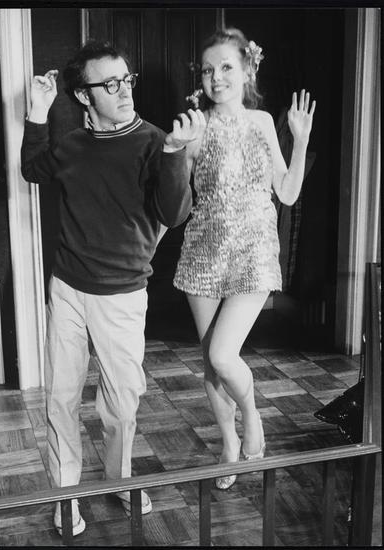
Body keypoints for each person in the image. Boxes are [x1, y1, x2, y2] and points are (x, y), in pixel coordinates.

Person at [21, 39, 205, 536]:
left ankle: (119, 481)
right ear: (84, 96)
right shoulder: (71, 144)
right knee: (60, 398)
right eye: (110, 83)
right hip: (67, 289)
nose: (124, 91)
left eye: (127, 80)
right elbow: (32, 169)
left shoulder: (156, 141)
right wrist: (37, 113)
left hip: (122, 295)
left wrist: (176, 153)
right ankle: (65, 497)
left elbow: (174, 213)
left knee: (121, 404)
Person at [174, 28, 315, 490]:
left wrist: (300, 140)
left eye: (226, 67)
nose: (216, 77)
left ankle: (252, 417)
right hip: (203, 252)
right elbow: (176, 201)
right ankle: (229, 443)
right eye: (208, 70)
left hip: (254, 251)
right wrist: (178, 150)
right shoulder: (196, 125)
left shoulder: (261, 123)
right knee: (211, 363)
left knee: (223, 353)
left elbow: (287, 193)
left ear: (247, 70)